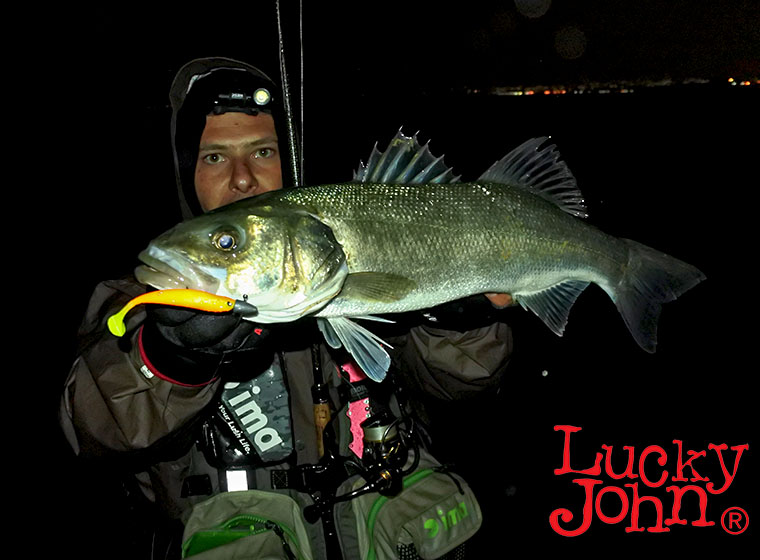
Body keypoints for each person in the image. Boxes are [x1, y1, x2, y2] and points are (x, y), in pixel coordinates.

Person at [59, 57, 513, 560]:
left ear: (289, 159)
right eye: (214, 157)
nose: (242, 179)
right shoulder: (140, 300)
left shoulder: (342, 242)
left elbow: (464, 383)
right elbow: (93, 432)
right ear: (186, 170)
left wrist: (461, 320)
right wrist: (170, 357)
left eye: (263, 151)